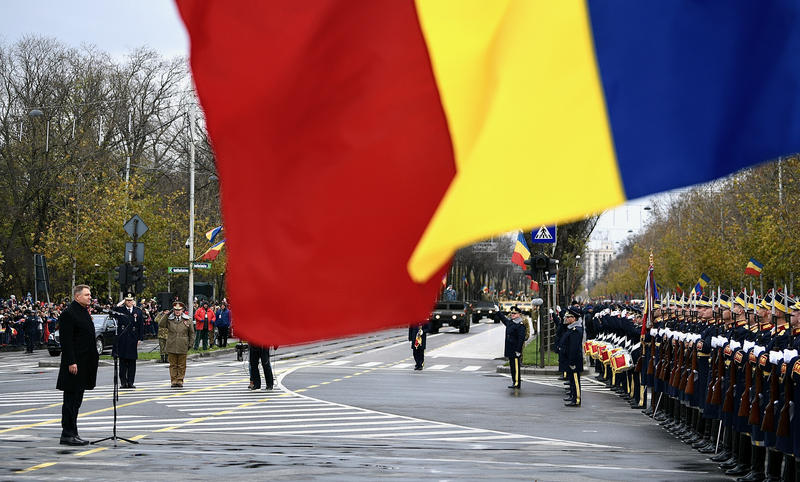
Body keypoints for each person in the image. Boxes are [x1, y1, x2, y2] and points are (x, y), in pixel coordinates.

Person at [56, 284, 99, 446]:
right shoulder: (69, 313)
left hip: (84, 364)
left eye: (90, 295)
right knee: (70, 402)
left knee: (77, 401)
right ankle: (67, 433)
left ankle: (73, 432)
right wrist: (71, 361)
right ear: (77, 296)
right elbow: (66, 341)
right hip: (74, 365)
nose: (90, 297)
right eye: (87, 295)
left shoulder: (83, 312)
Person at [112, 293, 145, 389]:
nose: (129, 302)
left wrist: (140, 338)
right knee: (122, 361)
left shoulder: (137, 311)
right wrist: (119, 304)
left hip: (133, 338)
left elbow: (141, 326)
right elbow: (112, 311)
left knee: (132, 362)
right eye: (127, 300)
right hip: (123, 338)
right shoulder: (120, 310)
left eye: (130, 300)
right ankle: (123, 382)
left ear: (133, 301)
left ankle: (130, 382)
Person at [161, 301, 195, 388]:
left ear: (182, 310)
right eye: (175, 310)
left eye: (179, 310)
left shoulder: (188, 319)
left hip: (183, 344)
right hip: (172, 344)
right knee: (173, 365)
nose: (177, 311)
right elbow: (161, 324)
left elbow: (191, 333)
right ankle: (173, 380)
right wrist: (166, 314)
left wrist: (190, 344)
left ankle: (180, 380)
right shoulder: (169, 319)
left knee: (181, 365)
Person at [499, 306, 526, 389]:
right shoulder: (511, 322)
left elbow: (521, 339)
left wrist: (518, 350)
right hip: (510, 349)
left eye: (514, 313)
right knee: (512, 367)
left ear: (519, 314)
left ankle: (517, 383)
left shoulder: (520, 325)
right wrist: (498, 312)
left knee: (516, 368)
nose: (512, 315)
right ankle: (514, 381)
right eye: (512, 313)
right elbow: (504, 320)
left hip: (515, 350)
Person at [563, 306, 584, 407]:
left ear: (574, 318)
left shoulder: (576, 330)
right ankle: (573, 396)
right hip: (570, 358)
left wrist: (571, 361)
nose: (567, 319)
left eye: (569, 317)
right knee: (572, 379)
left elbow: (574, 348)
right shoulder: (571, 328)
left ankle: (577, 399)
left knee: (575, 380)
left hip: (574, 360)